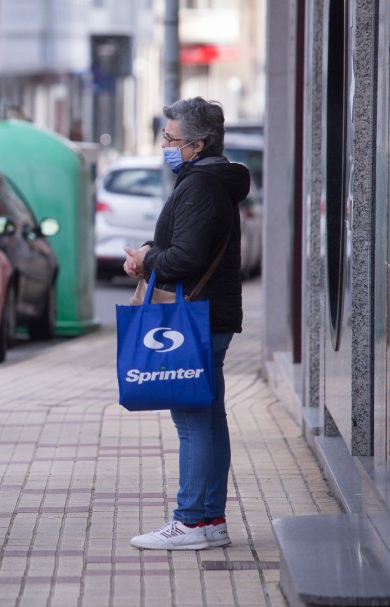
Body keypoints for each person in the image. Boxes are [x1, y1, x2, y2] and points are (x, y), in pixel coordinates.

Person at [123, 97, 250, 551]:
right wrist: (150, 252)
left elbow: (186, 256)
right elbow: (187, 245)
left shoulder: (199, 186)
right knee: (209, 417)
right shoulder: (211, 181)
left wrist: (146, 257)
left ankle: (192, 521)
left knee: (193, 419)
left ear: (196, 144)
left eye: (170, 138)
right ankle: (210, 519)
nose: (164, 145)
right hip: (209, 314)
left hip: (195, 318)